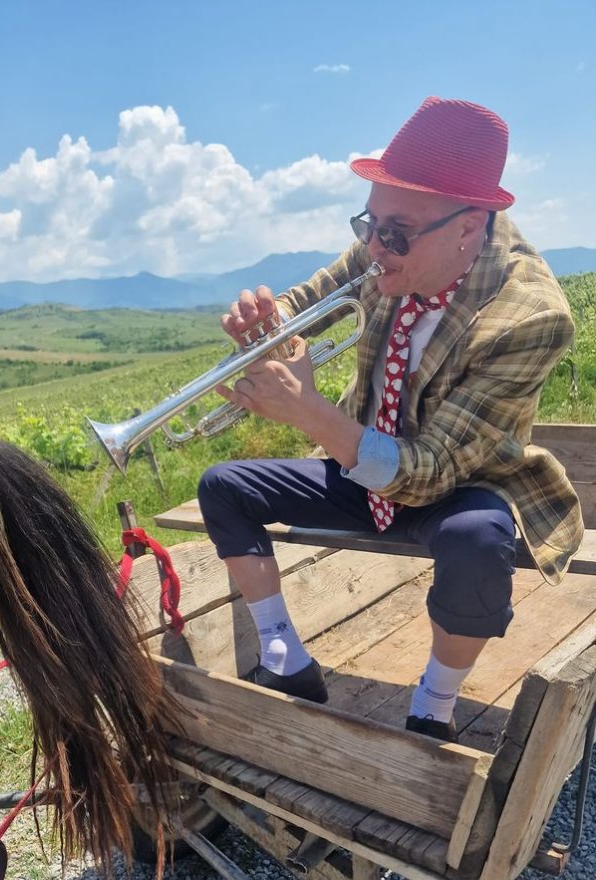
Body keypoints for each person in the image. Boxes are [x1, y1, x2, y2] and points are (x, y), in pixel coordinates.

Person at [197, 96, 581, 742]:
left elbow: (427, 473)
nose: (373, 247)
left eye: (394, 232)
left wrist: (311, 413)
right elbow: (308, 299)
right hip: (361, 465)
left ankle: (434, 704)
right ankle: (286, 659)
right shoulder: (392, 244)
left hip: (457, 485)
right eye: (367, 225)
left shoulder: (531, 316)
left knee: (479, 543)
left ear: (469, 226)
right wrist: (265, 320)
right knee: (222, 487)